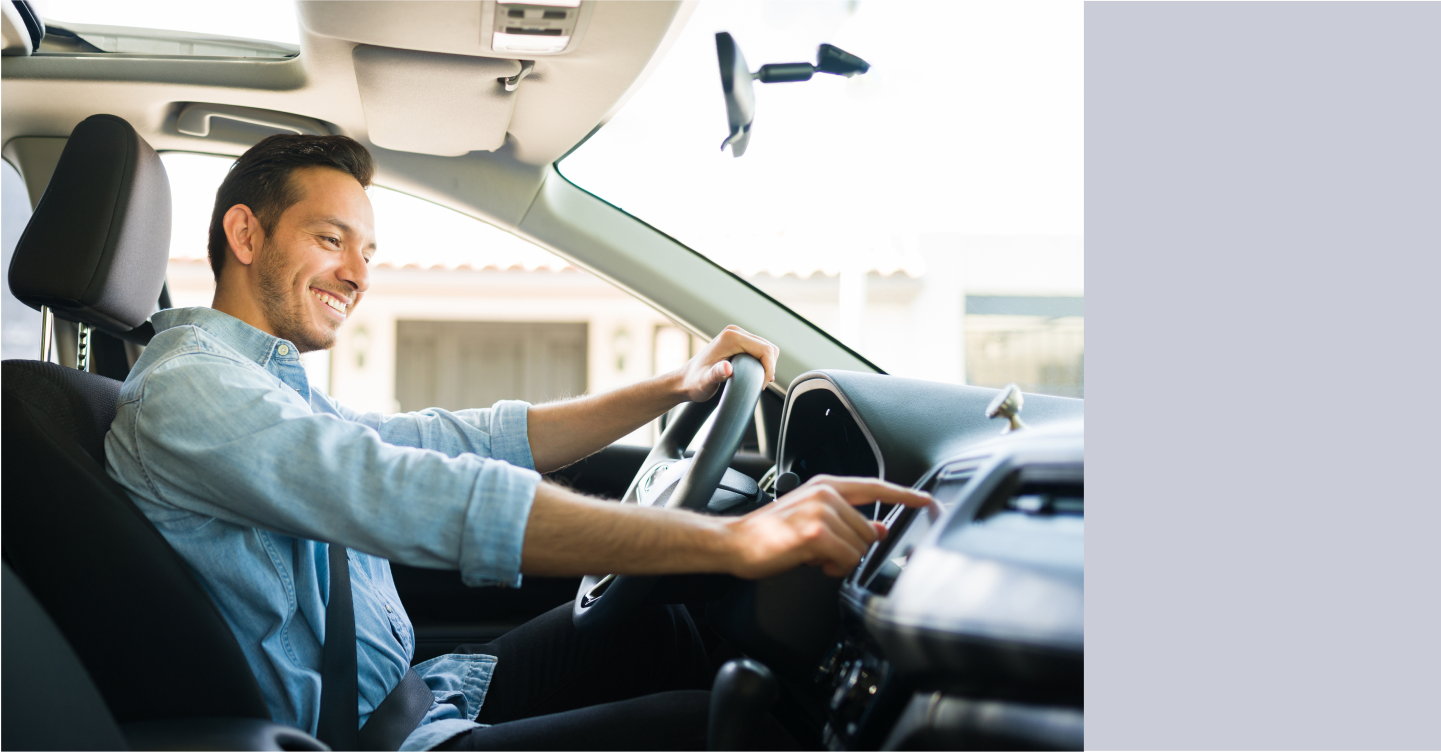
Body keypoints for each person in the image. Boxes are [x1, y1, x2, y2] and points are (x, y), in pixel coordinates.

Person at [104, 134, 928, 752]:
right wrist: (736, 537)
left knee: (665, 630)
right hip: (373, 740)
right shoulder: (192, 392)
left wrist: (671, 387)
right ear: (245, 236)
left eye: (367, 250)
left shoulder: (260, 383)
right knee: (722, 731)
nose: (358, 273)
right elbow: (409, 492)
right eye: (329, 239)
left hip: (419, 694)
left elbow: (444, 441)